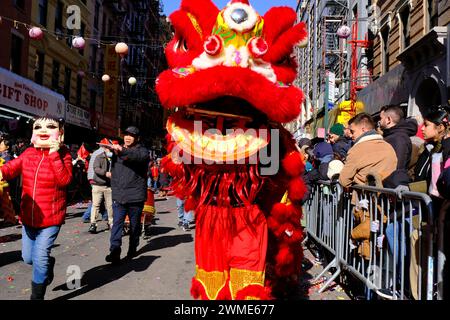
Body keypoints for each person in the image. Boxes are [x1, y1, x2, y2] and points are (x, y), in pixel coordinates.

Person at [0, 117, 72, 300]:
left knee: (39, 257)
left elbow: (64, 180)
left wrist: (55, 154)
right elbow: (10, 168)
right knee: (28, 258)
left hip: (51, 218)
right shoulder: (29, 153)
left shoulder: (65, 154)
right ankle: (48, 264)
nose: (43, 130)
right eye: (38, 126)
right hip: (28, 216)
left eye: (50, 126)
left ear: (60, 132)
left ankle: (37, 296)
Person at [105, 126, 150, 265]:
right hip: (119, 195)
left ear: (137, 138)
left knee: (135, 225)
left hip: (135, 196)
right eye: (126, 135)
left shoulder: (142, 151)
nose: (128, 137)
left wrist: (121, 150)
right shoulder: (116, 150)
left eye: (132, 135)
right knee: (116, 224)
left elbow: (135, 157)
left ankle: (133, 246)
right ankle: (115, 251)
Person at [339, 112, 398, 188]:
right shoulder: (389, 147)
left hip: (362, 197)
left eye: (353, 131)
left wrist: (356, 180)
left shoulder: (356, 150)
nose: (350, 135)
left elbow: (344, 181)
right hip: (387, 196)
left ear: (363, 130)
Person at [379, 105, 418, 186]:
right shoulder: (393, 136)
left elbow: (398, 166)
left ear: (388, 120)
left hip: (392, 185)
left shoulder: (398, 138)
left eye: (381, 118)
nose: (379, 121)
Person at [88, 142, 114, 234]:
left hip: (109, 186)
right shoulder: (99, 156)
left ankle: (111, 223)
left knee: (110, 205)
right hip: (97, 184)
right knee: (96, 205)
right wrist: (105, 173)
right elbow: (96, 168)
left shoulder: (114, 158)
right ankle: (93, 224)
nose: (110, 150)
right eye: (108, 148)